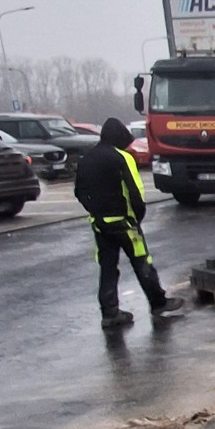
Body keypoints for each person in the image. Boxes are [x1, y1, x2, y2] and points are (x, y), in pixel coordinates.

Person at [73, 118, 182, 330]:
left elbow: (79, 192)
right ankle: (158, 303)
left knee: (108, 268)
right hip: (125, 224)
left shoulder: (87, 159)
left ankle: (110, 313)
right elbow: (135, 193)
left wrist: (95, 210)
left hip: (100, 224)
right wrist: (136, 219)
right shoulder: (122, 157)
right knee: (142, 262)